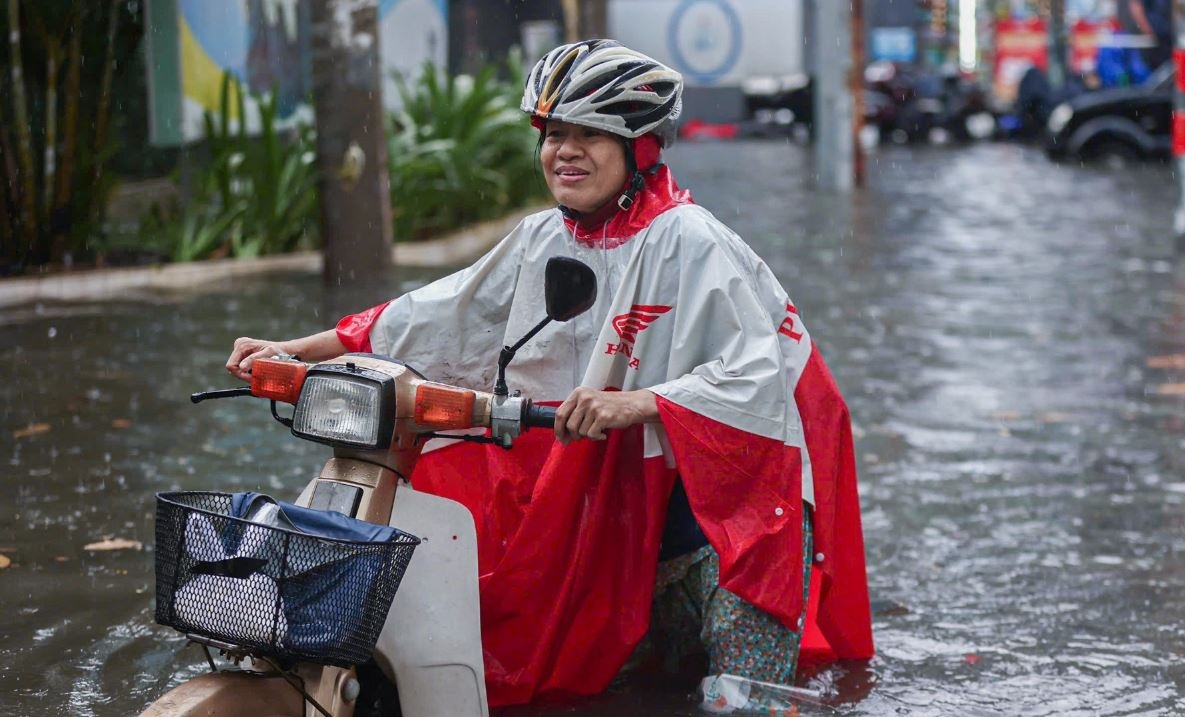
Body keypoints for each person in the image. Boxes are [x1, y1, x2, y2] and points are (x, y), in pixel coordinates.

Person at [227, 39, 873, 706]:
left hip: (725, 531)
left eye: (590, 134)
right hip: (614, 524)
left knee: (741, 701)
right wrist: (297, 350)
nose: (564, 150)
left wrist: (642, 402)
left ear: (642, 147)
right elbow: (437, 315)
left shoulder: (693, 241)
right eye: (554, 133)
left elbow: (758, 377)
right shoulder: (543, 239)